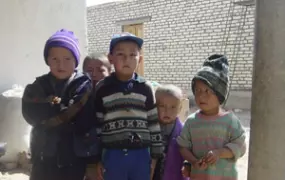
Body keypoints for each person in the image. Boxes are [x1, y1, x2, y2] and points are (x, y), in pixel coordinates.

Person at [22, 29, 99, 180]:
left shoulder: (83, 85)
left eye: (67, 59)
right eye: (55, 59)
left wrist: (50, 109)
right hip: (43, 156)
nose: (61, 64)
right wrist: (63, 110)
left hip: (73, 158)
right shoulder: (39, 85)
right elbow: (31, 113)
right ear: (47, 60)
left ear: (75, 61)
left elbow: (83, 119)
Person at [94, 32, 164, 180]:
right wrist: (96, 158)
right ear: (110, 58)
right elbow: (97, 124)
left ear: (140, 59)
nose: (127, 59)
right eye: (121, 54)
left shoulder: (145, 87)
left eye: (133, 55)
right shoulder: (103, 88)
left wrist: (155, 156)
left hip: (141, 154)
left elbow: (153, 122)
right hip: (112, 154)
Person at [177, 54, 246, 180]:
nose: (201, 96)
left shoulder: (230, 121)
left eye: (207, 91)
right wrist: (191, 162)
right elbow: (183, 146)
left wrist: (219, 153)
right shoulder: (191, 122)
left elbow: (240, 146)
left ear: (220, 94)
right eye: (197, 91)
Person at [153, 84, 189, 180]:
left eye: (173, 107)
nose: (167, 111)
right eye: (162, 106)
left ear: (180, 108)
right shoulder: (150, 128)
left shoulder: (184, 132)